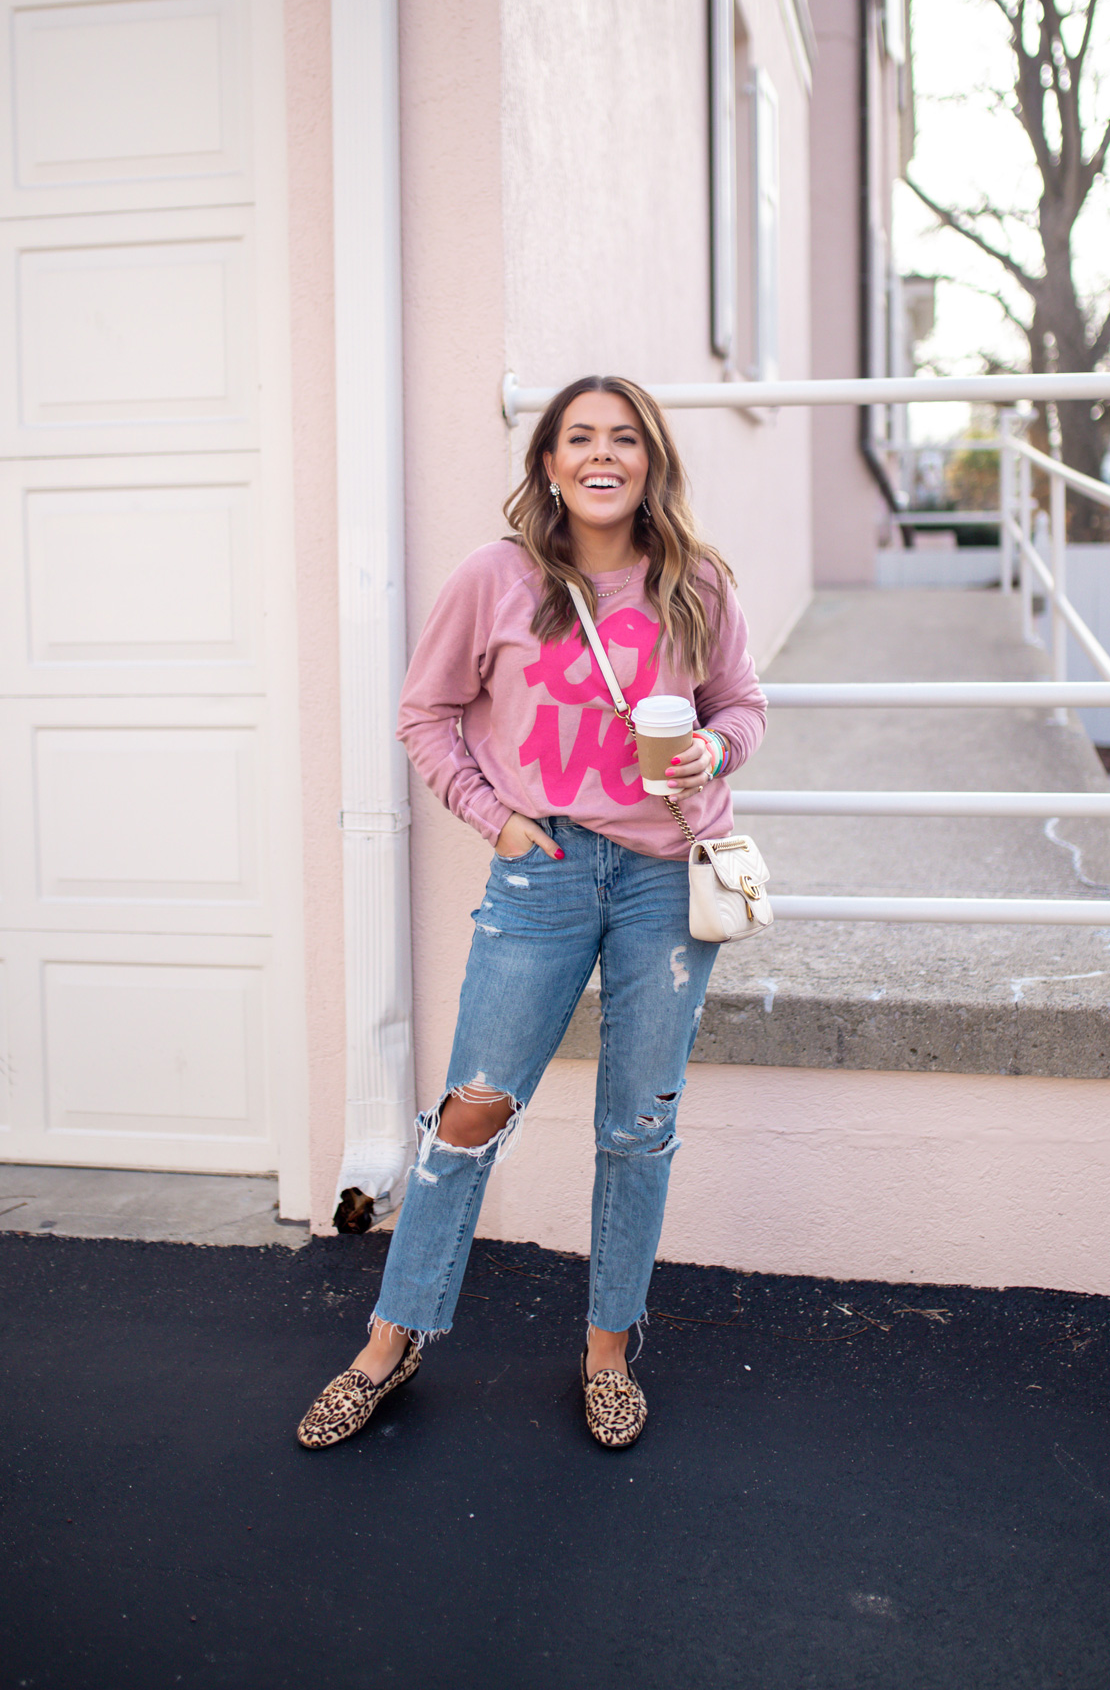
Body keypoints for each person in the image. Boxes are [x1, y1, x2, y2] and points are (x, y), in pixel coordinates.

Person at [297, 375, 767, 1451]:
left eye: (623, 438)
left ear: (650, 459)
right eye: (578, 438)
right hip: (542, 868)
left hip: (664, 876)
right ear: (549, 463)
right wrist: (491, 816)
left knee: (639, 1124)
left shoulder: (697, 583)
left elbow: (740, 702)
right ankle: (391, 1337)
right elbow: (426, 710)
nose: (602, 454)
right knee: (471, 1109)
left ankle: (608, 1350)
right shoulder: (494, 578)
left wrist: (715, 745)